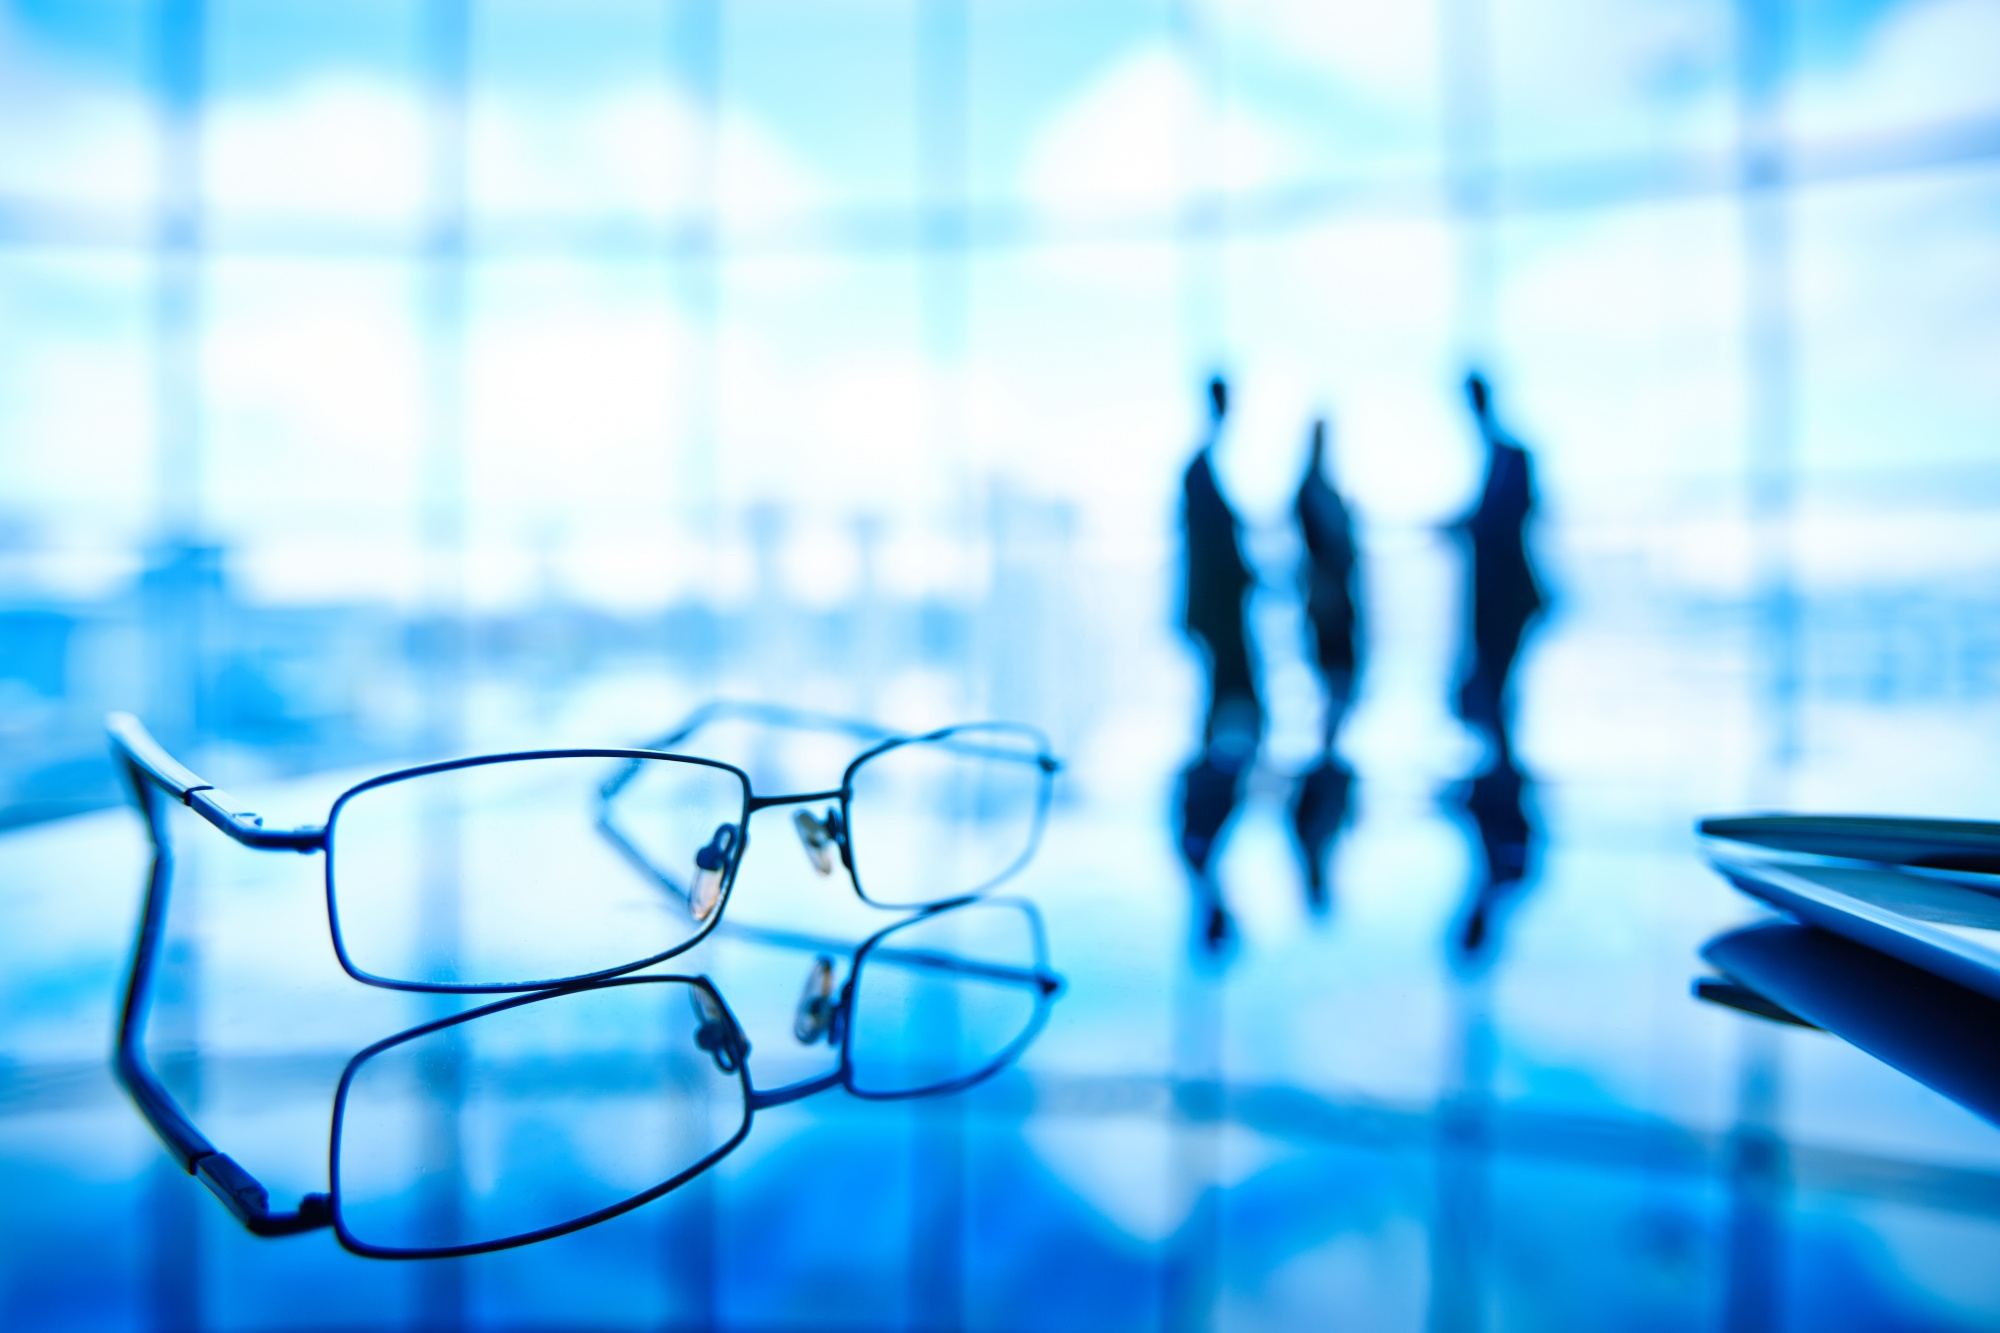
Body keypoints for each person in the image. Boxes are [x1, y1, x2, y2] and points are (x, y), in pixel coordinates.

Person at [1174, 375, 1261, 952]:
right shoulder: (1201, 470)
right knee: (1236, 704)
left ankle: (1218, 766)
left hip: (1218, 609)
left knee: (1229, 706)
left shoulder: (1202, 468)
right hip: (1217, 611)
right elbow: (1210, 551)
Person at [1454, 372, 1544, 758]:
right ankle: (1500, 765)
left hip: (1507, 590)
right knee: (1490, 686)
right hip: (1490, 592)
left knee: (1497, 685)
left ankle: (1503, 768)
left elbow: (1513, 515)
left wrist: (1474, 526)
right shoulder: (1494, 458)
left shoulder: (1513, 456)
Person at [1290, 418, 1361, 910]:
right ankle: (1328, 750)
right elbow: (1330, 547)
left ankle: (1329, 749)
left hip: (1331, 598)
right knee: (1336, 678)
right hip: (1328, 599)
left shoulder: (1316, 489)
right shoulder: (1312, 491)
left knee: (1337, 680)